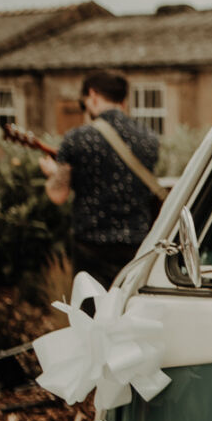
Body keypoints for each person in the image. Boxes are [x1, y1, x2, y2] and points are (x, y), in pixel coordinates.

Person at [39, 72, 162, 286]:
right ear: (123, 102)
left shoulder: (76, 138)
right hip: (137, 246)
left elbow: (58, 194)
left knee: (91, 314)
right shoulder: (149, 139)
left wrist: (52, 173)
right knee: (129, 311)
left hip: (91, 247)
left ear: (93, 96)